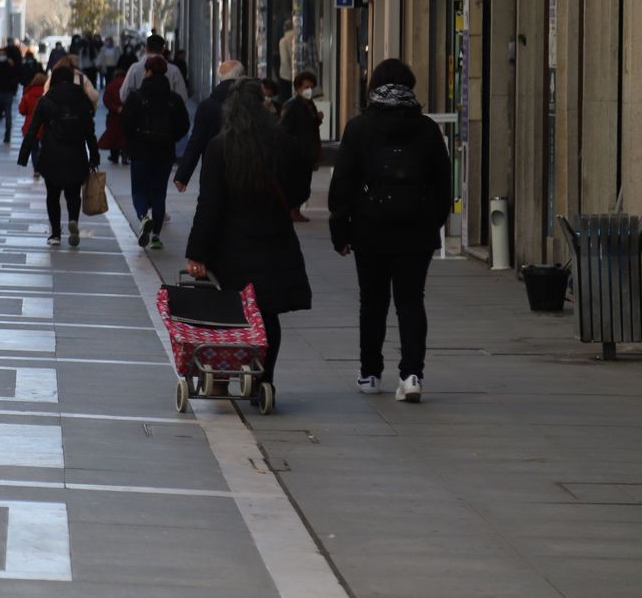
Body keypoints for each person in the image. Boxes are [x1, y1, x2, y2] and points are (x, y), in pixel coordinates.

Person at [328, 59, 452, 403]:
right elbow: (443, 182)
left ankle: (370, 373)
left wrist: (340, 230)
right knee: (411, 301)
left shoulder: (359, 127)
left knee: (372, 302)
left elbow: (343, 185)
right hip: (416, 230)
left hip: (370, 229)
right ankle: (412, 374)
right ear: (410, 86)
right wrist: (434, 220)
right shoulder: (427, 129)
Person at [184, 79, 313, 399]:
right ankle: (263, 378)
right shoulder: (284, 143)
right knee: (267, 313)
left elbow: (209, 205)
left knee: (230, 310)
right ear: (263, 105)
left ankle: (225, 373)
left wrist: (197, 253)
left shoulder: (219, 147)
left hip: (230, 246)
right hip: (275, 241)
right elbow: (300, 191)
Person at [18, 65, 99, 247]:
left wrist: (24, 156)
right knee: (73, 193)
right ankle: (73, 221)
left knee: (52, 195)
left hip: (51, 154)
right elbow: (90, 131)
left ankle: (55, 234)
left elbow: (33, 129)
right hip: (76, 153)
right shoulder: (81, 99)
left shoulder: (47, 99)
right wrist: (94, 155)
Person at [122, 56, 191, 250]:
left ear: (148, 71)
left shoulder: (136, 96)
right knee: (159, 192)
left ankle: (144, 217)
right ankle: (156, 236)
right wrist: (171, 138)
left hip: (141, 151)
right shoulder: (173, 99)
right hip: (164, 152)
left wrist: (132, 142)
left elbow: (126, 123)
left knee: (139, 190)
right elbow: (184, 125)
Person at [175, 59, 245, 192]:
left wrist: (182, 176)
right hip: (243, 168)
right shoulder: (248, 103)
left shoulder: (207, 106)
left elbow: (196, 142)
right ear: (240, 76)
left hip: (212, 168)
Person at [279, 69, 324, 221]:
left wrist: (317, 119)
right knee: (297, 185)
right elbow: (284, 129)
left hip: (308, 150)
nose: (309, 90)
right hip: (297, 152)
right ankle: (293, 212)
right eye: (306, 87)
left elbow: (309, 125)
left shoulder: (309, 104)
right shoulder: (292, 105)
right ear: (298, 88)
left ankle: (295, 211)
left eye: (311, 87)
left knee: (304, 184)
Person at [121, 33, 190, 102]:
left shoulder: (135, 68)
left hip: (141, 111)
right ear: (162, 49)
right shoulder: (174, 70)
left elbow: (123, 95)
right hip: (166, 112)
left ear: (146, 48)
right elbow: (183, 97)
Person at [18, 69, 47, 178]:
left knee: (34, 149)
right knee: (45, 148)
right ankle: (44, 167)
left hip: (31, 125)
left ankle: (36, 170)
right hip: (45, 125)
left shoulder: (28, 93)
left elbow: (21, 110)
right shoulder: (48, 93)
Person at [99, 64, 129, 165]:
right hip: (126, 115)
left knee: (113, 136)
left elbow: (106, 100)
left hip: (114, 115)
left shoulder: (111, 85)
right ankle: (125, 156)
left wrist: (116, 108)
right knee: (125, 136)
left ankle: (114, 156)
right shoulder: (128, 84)